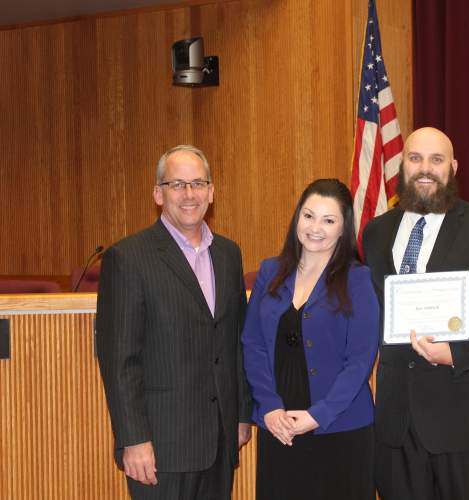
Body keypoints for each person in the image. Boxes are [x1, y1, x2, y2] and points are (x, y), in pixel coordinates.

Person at [362, 127, 469, 500]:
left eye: (436, 159)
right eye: (415, 158)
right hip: (396, 425)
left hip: (468, 422)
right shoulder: (376, 233)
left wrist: (457, 352)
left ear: (453, 167)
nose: (425, 168)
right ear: (402, 165)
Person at [96, 145, 252, 500]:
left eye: (198, 183)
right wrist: (133, 439)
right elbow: (119, 360)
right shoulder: (128, 258)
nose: (189, 194)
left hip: (219, 440)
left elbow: (235, 342)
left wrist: (242, 414)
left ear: (211, 192)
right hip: (161, 448)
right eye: (177, 184)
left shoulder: (228, 254)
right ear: (157, 193)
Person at [242, 178, 380, 500]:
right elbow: (253, 344)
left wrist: (319, 414)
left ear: (343, 228)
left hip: (341, 425)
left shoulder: (358, 279)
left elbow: (360, 360)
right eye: (308, 215)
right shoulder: (270, 271)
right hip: (280, 425)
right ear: (297, 218)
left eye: (328, 220)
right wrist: (269, 408)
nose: (315, 227)